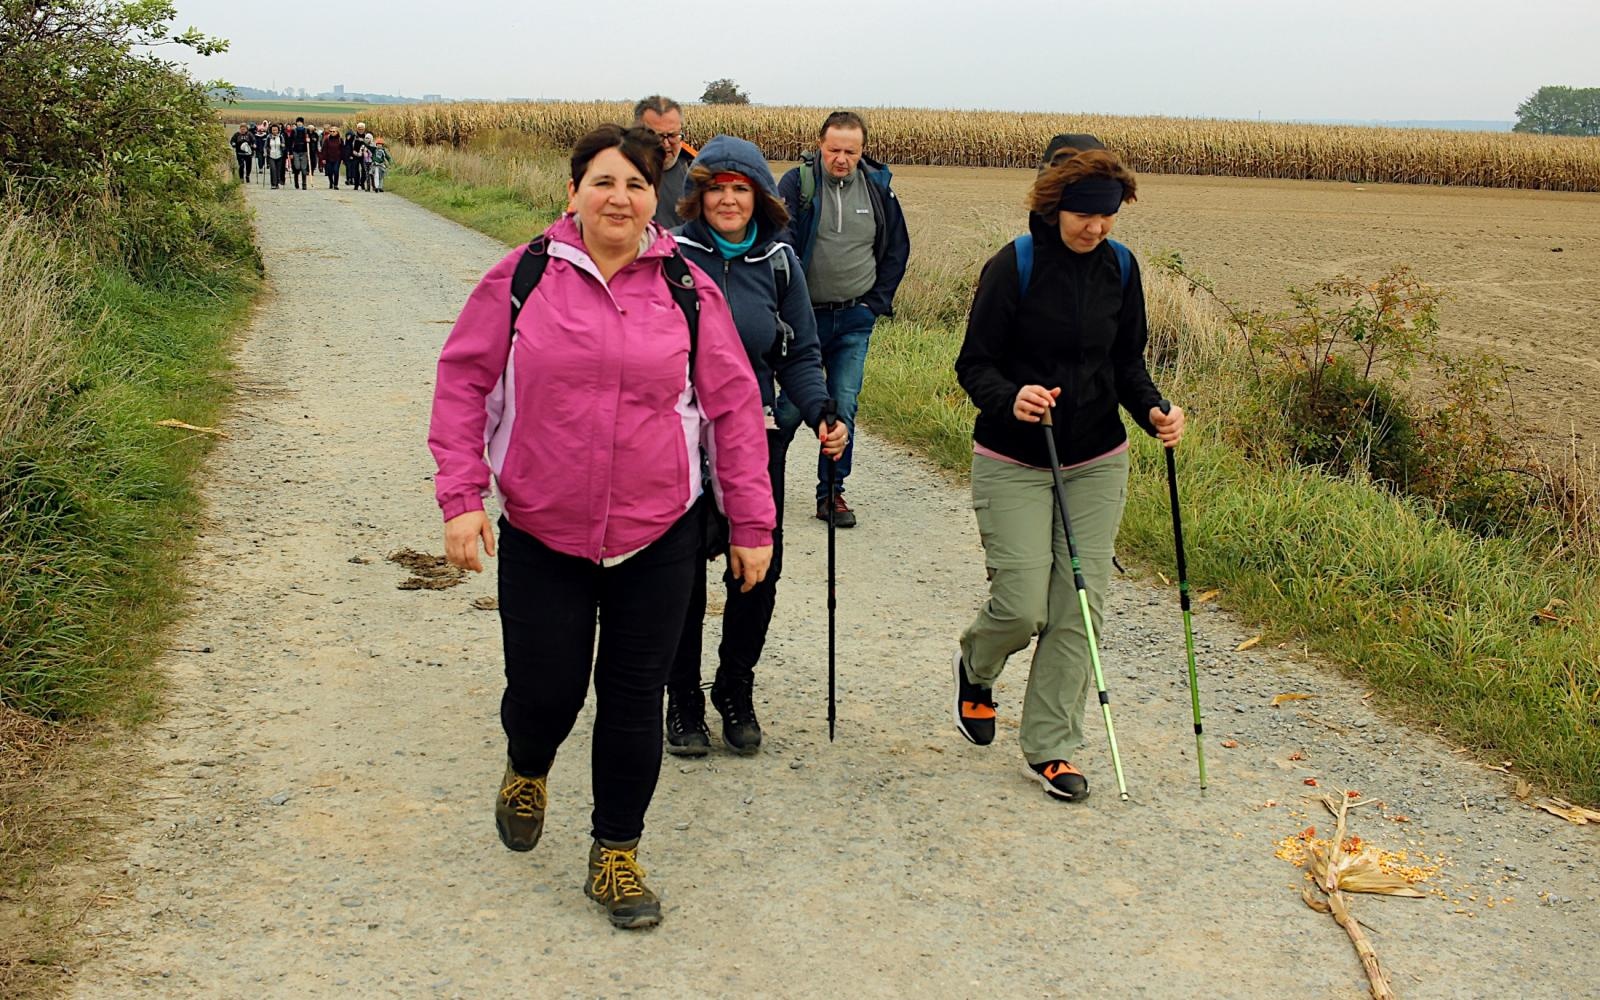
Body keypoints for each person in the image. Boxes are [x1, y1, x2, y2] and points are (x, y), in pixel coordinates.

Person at [429, 124, 775, 930]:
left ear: (656, 199)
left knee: (630, 701)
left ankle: (615, 852)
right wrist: (461, 497)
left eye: (636, 185)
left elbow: (729, 408)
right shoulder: (522, 277)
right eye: (603, 182)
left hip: (660, 534)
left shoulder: (690, 285)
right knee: (546, 692)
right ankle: (527, 762)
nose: (619, 198)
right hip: (545, 531)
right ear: (574, 193)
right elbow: (464, 385)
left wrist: (752, 521)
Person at [951, 134, 1185, 802]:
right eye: (1085, 212)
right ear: (1056, 206)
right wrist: (1012, 396)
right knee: (1023, 605)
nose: (1097, 225)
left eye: (1108, 213)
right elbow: (975, 365)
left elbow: (1127, 364)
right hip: (1014, 458)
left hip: (1096, 458)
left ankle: (1051, 747)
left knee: (1080, 609)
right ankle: (978, 662)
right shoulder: (1015, 266)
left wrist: (1155, 411)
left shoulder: (1121, 267)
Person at [664, 134, 846, 757]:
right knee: (680, 574)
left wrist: (821, 407)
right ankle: (681, 693)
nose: (728, 200)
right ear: (698, 196)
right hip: (680, 442)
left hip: (756, 437)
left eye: (740, 189)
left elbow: (799, 352)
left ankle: (734, 686)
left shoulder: (780, 262)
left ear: (760, 198)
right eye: (716, 189)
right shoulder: (670, 258)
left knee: (756, 571)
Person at [774, 111, 910, 528]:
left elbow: (897, 251)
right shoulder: (797, 185)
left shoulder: (878, 191)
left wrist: (875, 304)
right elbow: (782, 243)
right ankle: (763, 485)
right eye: (834, 149)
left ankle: (831, 493)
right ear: (820, 145)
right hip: (804, 320)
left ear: (862, 150)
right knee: (793, 410)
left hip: (854, 317)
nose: (841, 159)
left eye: (851, 151)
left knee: (844, 405)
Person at [633, 96, 694, 228]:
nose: (665, 144)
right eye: (657, 136)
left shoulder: (697, 174)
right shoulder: (616, 174)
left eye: (672, 136)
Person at [288, 116, 314, 190]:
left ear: (303, 123)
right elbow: (290, 142)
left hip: (304, 151)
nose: (299, 123)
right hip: (296, 151)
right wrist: (290, 153)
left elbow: (311, 140)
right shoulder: (294, 131)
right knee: (297, 167)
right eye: (298, 122)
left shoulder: (306, 131)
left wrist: (309, 140)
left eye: (300, 122)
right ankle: (296, 182)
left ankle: (304, 184)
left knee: (303, 168)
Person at [265, 123, 287, 189]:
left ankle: (277, 183)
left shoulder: (280, 137)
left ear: (278, 130)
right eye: (273, 130)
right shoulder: (269, 137)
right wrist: (265, 152)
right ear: (271, 130)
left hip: (279, 156)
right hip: (271, 156)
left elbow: (284, 145)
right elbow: (265, 146)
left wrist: (283, 146)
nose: (274, 131)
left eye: (276, 130)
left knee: (278, 170)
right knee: (273, 170)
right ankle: (273, 184)